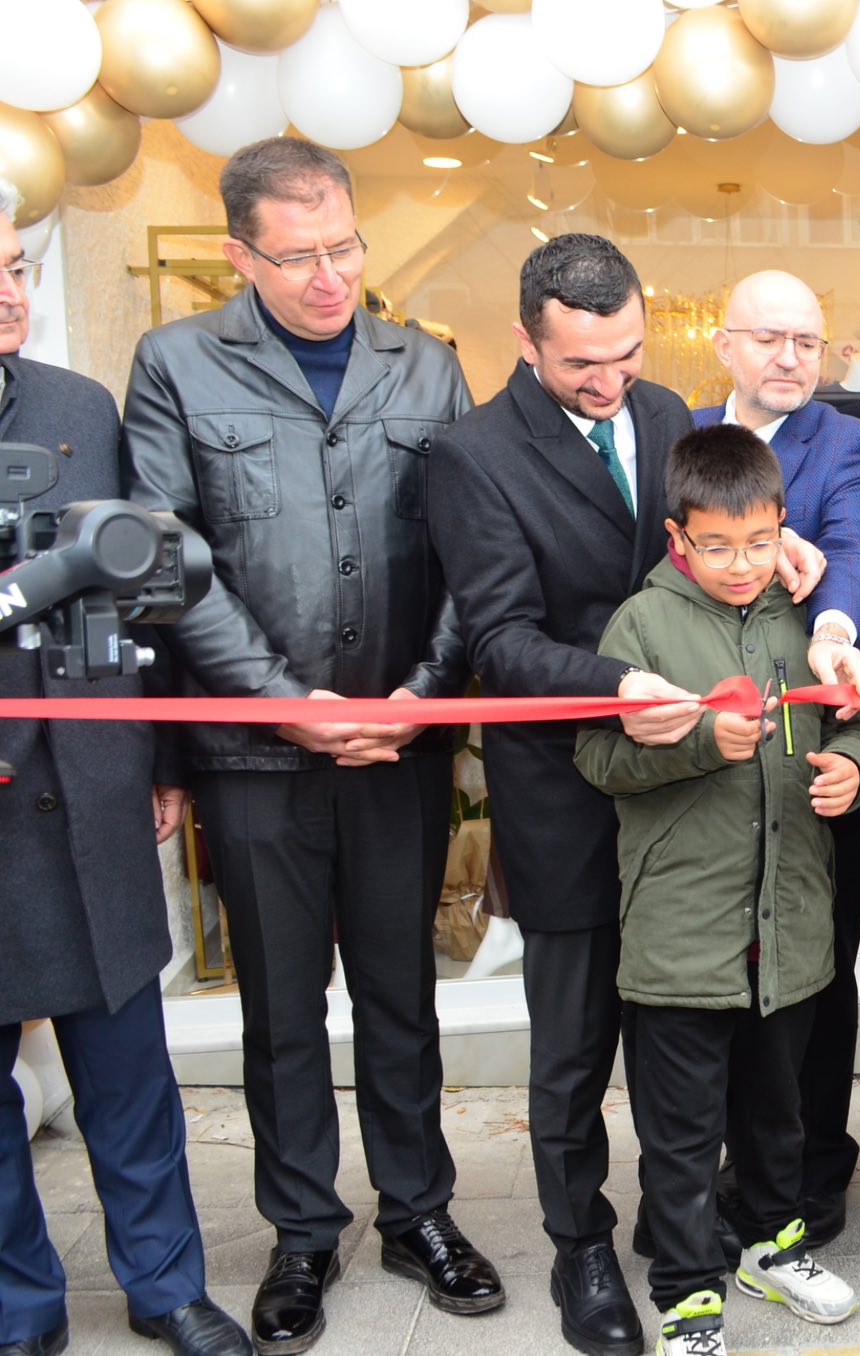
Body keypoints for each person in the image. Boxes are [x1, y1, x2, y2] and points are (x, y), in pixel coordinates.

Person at [119, 138, 503, 1351]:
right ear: (241, 256)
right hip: (255, 753)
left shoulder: (426, 367)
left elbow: (468, 550)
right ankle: (299, 1231)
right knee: (281, 1008)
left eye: (343, 248)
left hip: (398, 744)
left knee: (403, 991)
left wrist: (419, 695)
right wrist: (286, 701)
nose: (330, 278)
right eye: (299, 259)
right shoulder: (176, 363)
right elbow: (168, 560)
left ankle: (418, 1211)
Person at [431, 235, 818, 1356]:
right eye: (581, 367)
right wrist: (616, 685)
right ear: (526, 343)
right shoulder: (472, 456)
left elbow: (707, 536)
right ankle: (580, 1248)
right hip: (567, 791)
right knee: (570, 1048)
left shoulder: (664, 417)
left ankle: (678, 1227)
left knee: (680, 1038)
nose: (610, 384)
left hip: (694, 796)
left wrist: (780, 553)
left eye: (628, 355)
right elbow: (498, 642)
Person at [0, 178, 251, 1356]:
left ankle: (165, 1288)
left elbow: (136, 596)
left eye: (16, 267)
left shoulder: (74, 403)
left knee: (130, 1074)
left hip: (91, 784)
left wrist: (157, 753)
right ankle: (20, 1308)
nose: (11, 293)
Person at [573, 424, 860, 1356]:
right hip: (680, 934)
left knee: (776, 1112)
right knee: (681, 1127)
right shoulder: (641, 624)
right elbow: (595, 756)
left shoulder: (808, 618)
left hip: (786, 928)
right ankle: (687, 1290)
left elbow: (854, 719)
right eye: (715, 545)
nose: (740, 565)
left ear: (782, 526)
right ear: (678, 538)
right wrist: (700, 742)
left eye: (757, 542)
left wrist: (853, 770)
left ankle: (774, 1247)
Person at [695, 269, 860, 1244]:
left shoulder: (852, 443)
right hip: (708, 768)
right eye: (768, 338)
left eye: (806, 342)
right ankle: (740, 1164)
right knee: (723, 975)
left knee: (817, 971)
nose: (788, 358)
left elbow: (854, 548)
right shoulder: (684, 436)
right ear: (723, 345)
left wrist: (835, 623)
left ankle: (816, 1169)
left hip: (818, 763)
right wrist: (769, 545)